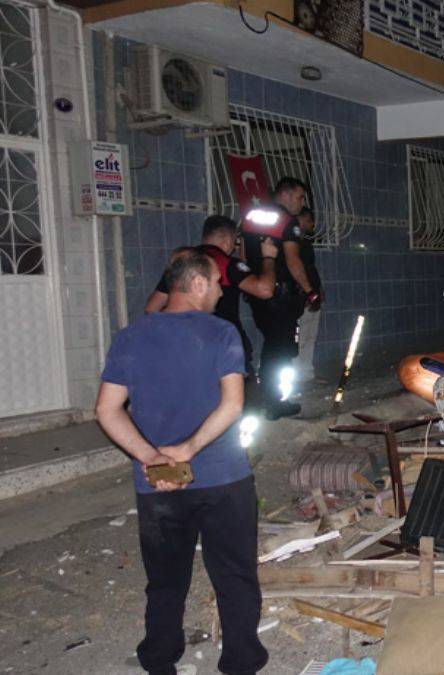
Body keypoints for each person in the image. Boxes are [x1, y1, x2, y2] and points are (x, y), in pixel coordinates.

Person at [95, 249, 268, 675]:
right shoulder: (222, 332)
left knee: (166, 580)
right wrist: (188, 449)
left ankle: (159, 660)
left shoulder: (130, 336)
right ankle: (241, 662)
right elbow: (232, 405)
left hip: (157, 484)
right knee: (234, 575)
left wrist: (151, 457)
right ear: (197, 284)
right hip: (224, 480)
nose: (220, 291)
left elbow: (106, 410)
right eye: (216, 283)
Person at [144, 216, 276, 383]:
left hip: (188, 348)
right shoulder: (224, 263)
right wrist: (269, 258)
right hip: (223, 346)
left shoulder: (183, 265)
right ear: (226, 240)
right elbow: (264, 290)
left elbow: (151, 308)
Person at [241, 177, 319, 419]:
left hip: (259, 291)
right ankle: (275, 402)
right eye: (300, 197)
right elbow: (293, 259)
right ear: (285, 194)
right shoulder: (287, 220)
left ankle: (269, 397)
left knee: (272, 345)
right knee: (281, 349)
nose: (302, 203)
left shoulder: (252, 215)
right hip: (281, 294)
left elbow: (242, 253)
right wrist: (309, 290)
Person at [294, 207, 323, 384]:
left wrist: (319, 290)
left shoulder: (305, 243)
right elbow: (295, 269)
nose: (312, 224)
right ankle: (297, 375)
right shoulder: (291, 243)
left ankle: (307, 373)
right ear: (301, 219)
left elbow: (311, 269)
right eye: (309, 220)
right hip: (303, 296)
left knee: (311, 336)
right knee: (301, 336)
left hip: (313, 293)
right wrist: (306, 293)